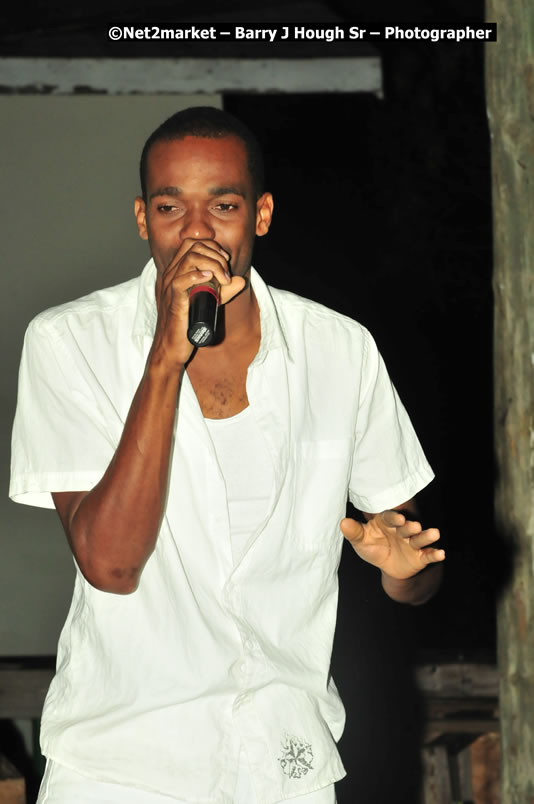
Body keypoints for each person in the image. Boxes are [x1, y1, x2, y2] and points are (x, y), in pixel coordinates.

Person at [10, 106, 444, 804]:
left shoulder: (339, 349)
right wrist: (165, 357)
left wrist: (405, 571)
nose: (197, 232)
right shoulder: (70, 344)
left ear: (261, 215)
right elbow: (110, 565)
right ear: (142, 219)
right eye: (170, 207)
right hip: (121, 770)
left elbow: (418, 567)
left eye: (223, 205)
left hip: (287, 766)